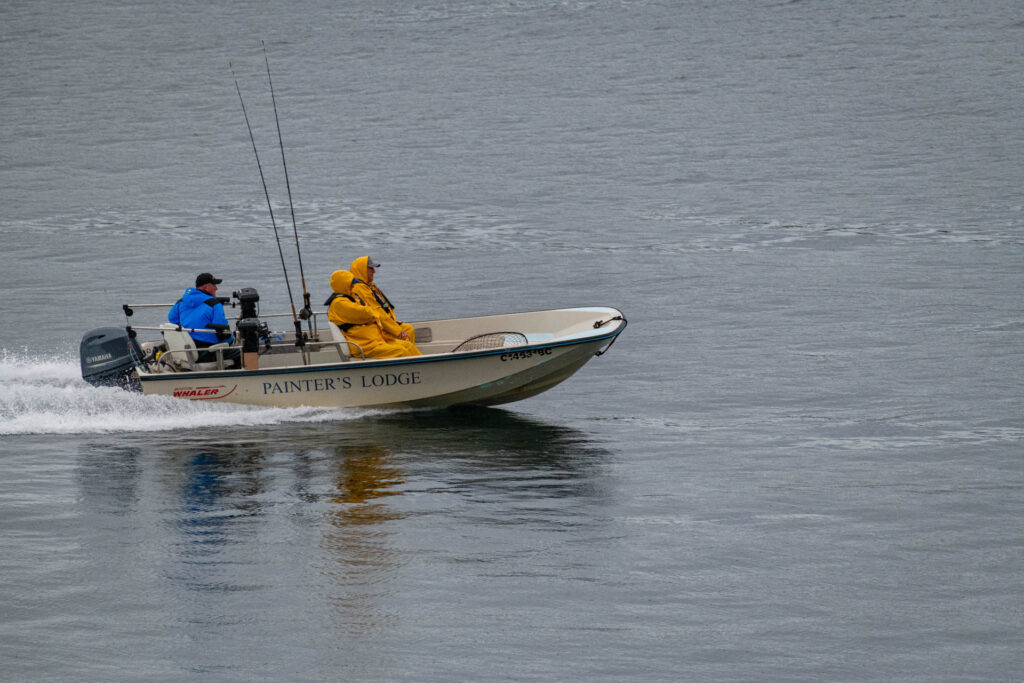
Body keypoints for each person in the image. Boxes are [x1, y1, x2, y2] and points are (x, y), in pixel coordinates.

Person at [325, 270, 421, 359]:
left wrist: (373, 314)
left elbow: (370, 312)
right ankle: (415, 372)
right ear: (343, 285)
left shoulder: (350, 298)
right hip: (364, 346)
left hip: (374, 341)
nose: (353, 286)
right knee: (400, 351)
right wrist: (373, 314)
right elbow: (367, 313)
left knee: (407, 345)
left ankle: (422, 369)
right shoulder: (339, 303)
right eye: (351, 284)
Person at [168, 272, 240, 366]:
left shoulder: (181, 302)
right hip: (206, 352)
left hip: (186, 350)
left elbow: (172, 319)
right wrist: (232, 340)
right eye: (214, 285)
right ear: (206, 287)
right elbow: (223, 331)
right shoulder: (215, 304)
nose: (216, 288)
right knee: (240, 352)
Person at [350, 256, 417, 346]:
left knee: (408, 329)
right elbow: (378, 313)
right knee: (406, 332)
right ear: (361, 270)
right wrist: (397, 331)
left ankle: (408, 355)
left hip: (382, 324)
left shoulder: (368, 286)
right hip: (375, 328)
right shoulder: (360, 288)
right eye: (370, 268)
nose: (374, 271)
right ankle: (406, 356)